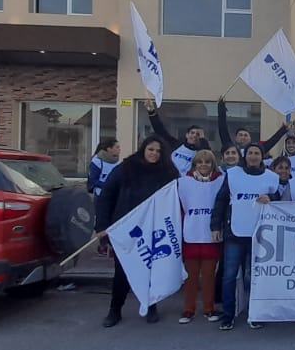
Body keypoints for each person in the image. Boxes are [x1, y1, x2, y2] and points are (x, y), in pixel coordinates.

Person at [95, 135, 180, 328]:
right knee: (122, 272)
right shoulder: (126, 168)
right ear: (143, 149)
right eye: (151, 149)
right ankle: (115, 310)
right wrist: (101, 226)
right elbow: (105, 197)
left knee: (151, 270)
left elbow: (178, 194)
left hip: (153, 230)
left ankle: (151, 306)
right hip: (126, 230)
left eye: (158, 151)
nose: (154, 154)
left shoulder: (167, 171)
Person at [211, 143, 282, 331]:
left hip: (260, 236)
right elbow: (221, 200)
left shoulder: (271, 177)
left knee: (255, 277)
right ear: (245, 156)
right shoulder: (233, 174)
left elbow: (280, 203)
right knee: (229, 276)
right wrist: (215, 226)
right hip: (235, 233)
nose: (253, 156)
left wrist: (271, 199)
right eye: (250, 153)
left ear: (262, 157)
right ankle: (228, 315)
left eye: (256, 153)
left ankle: (255, 313)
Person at [178, 150, 225, 325]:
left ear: (213, 164)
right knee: (191, 277)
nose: (203, 165)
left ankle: (208, 308)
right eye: (200, 162)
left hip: (211, 235)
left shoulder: (221, 181)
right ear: (194, 164)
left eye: (207, 162)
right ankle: (189, 309)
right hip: (191, 233)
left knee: (208, 276)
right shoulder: (183, 182)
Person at [217, 97, 287, 155]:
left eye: (245, 135)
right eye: (240, 135)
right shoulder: (230, 149)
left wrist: (283, 129)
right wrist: (221, 109)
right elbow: (223, 131)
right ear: (235, 138)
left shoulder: (256, 150)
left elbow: (271, 142)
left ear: (250, 139)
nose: (243, 137)